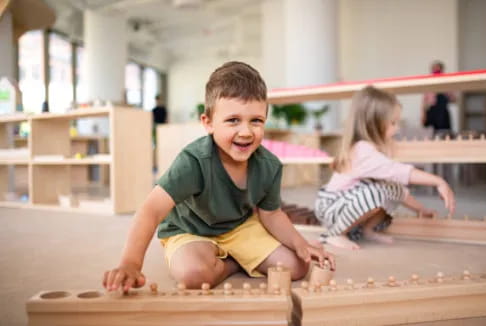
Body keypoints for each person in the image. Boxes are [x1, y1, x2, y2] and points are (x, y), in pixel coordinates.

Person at [103, 62, 335, 292]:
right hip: (190, 230)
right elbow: (151, 209)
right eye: (233, 120)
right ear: (208, 123)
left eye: (256, 120)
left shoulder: (269, 166)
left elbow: (272, 214)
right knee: (193, 276)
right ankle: (231, 265)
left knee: (296, 267)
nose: (245, 132)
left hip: (239, 227)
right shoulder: (193, 161)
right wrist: (130, 263)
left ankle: (232, 257)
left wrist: (301, 244)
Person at [315, 86, 456, 250]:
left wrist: (421, 210)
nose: (397, 128)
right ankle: (335, 234)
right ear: (374, 124)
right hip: (330, 208)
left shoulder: (371, 149)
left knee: (390, 188)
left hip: (344, 206)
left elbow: (398, 188)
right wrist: (439, 181)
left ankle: (367, 230)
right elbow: (398, 171)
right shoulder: (362, 150)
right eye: (393, 123)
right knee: (375, 192)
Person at [422, 61, 456, 136]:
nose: (436, 71)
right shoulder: (428, 83)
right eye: (434, 69)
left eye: (438, 69)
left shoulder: (448, 83)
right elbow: (424, 102)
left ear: (442, 70)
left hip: (443, 113)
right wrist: (423, 115)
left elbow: (454, 100)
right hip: (431, 113)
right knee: (431, 134)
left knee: (445, 135)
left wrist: (446, 91)